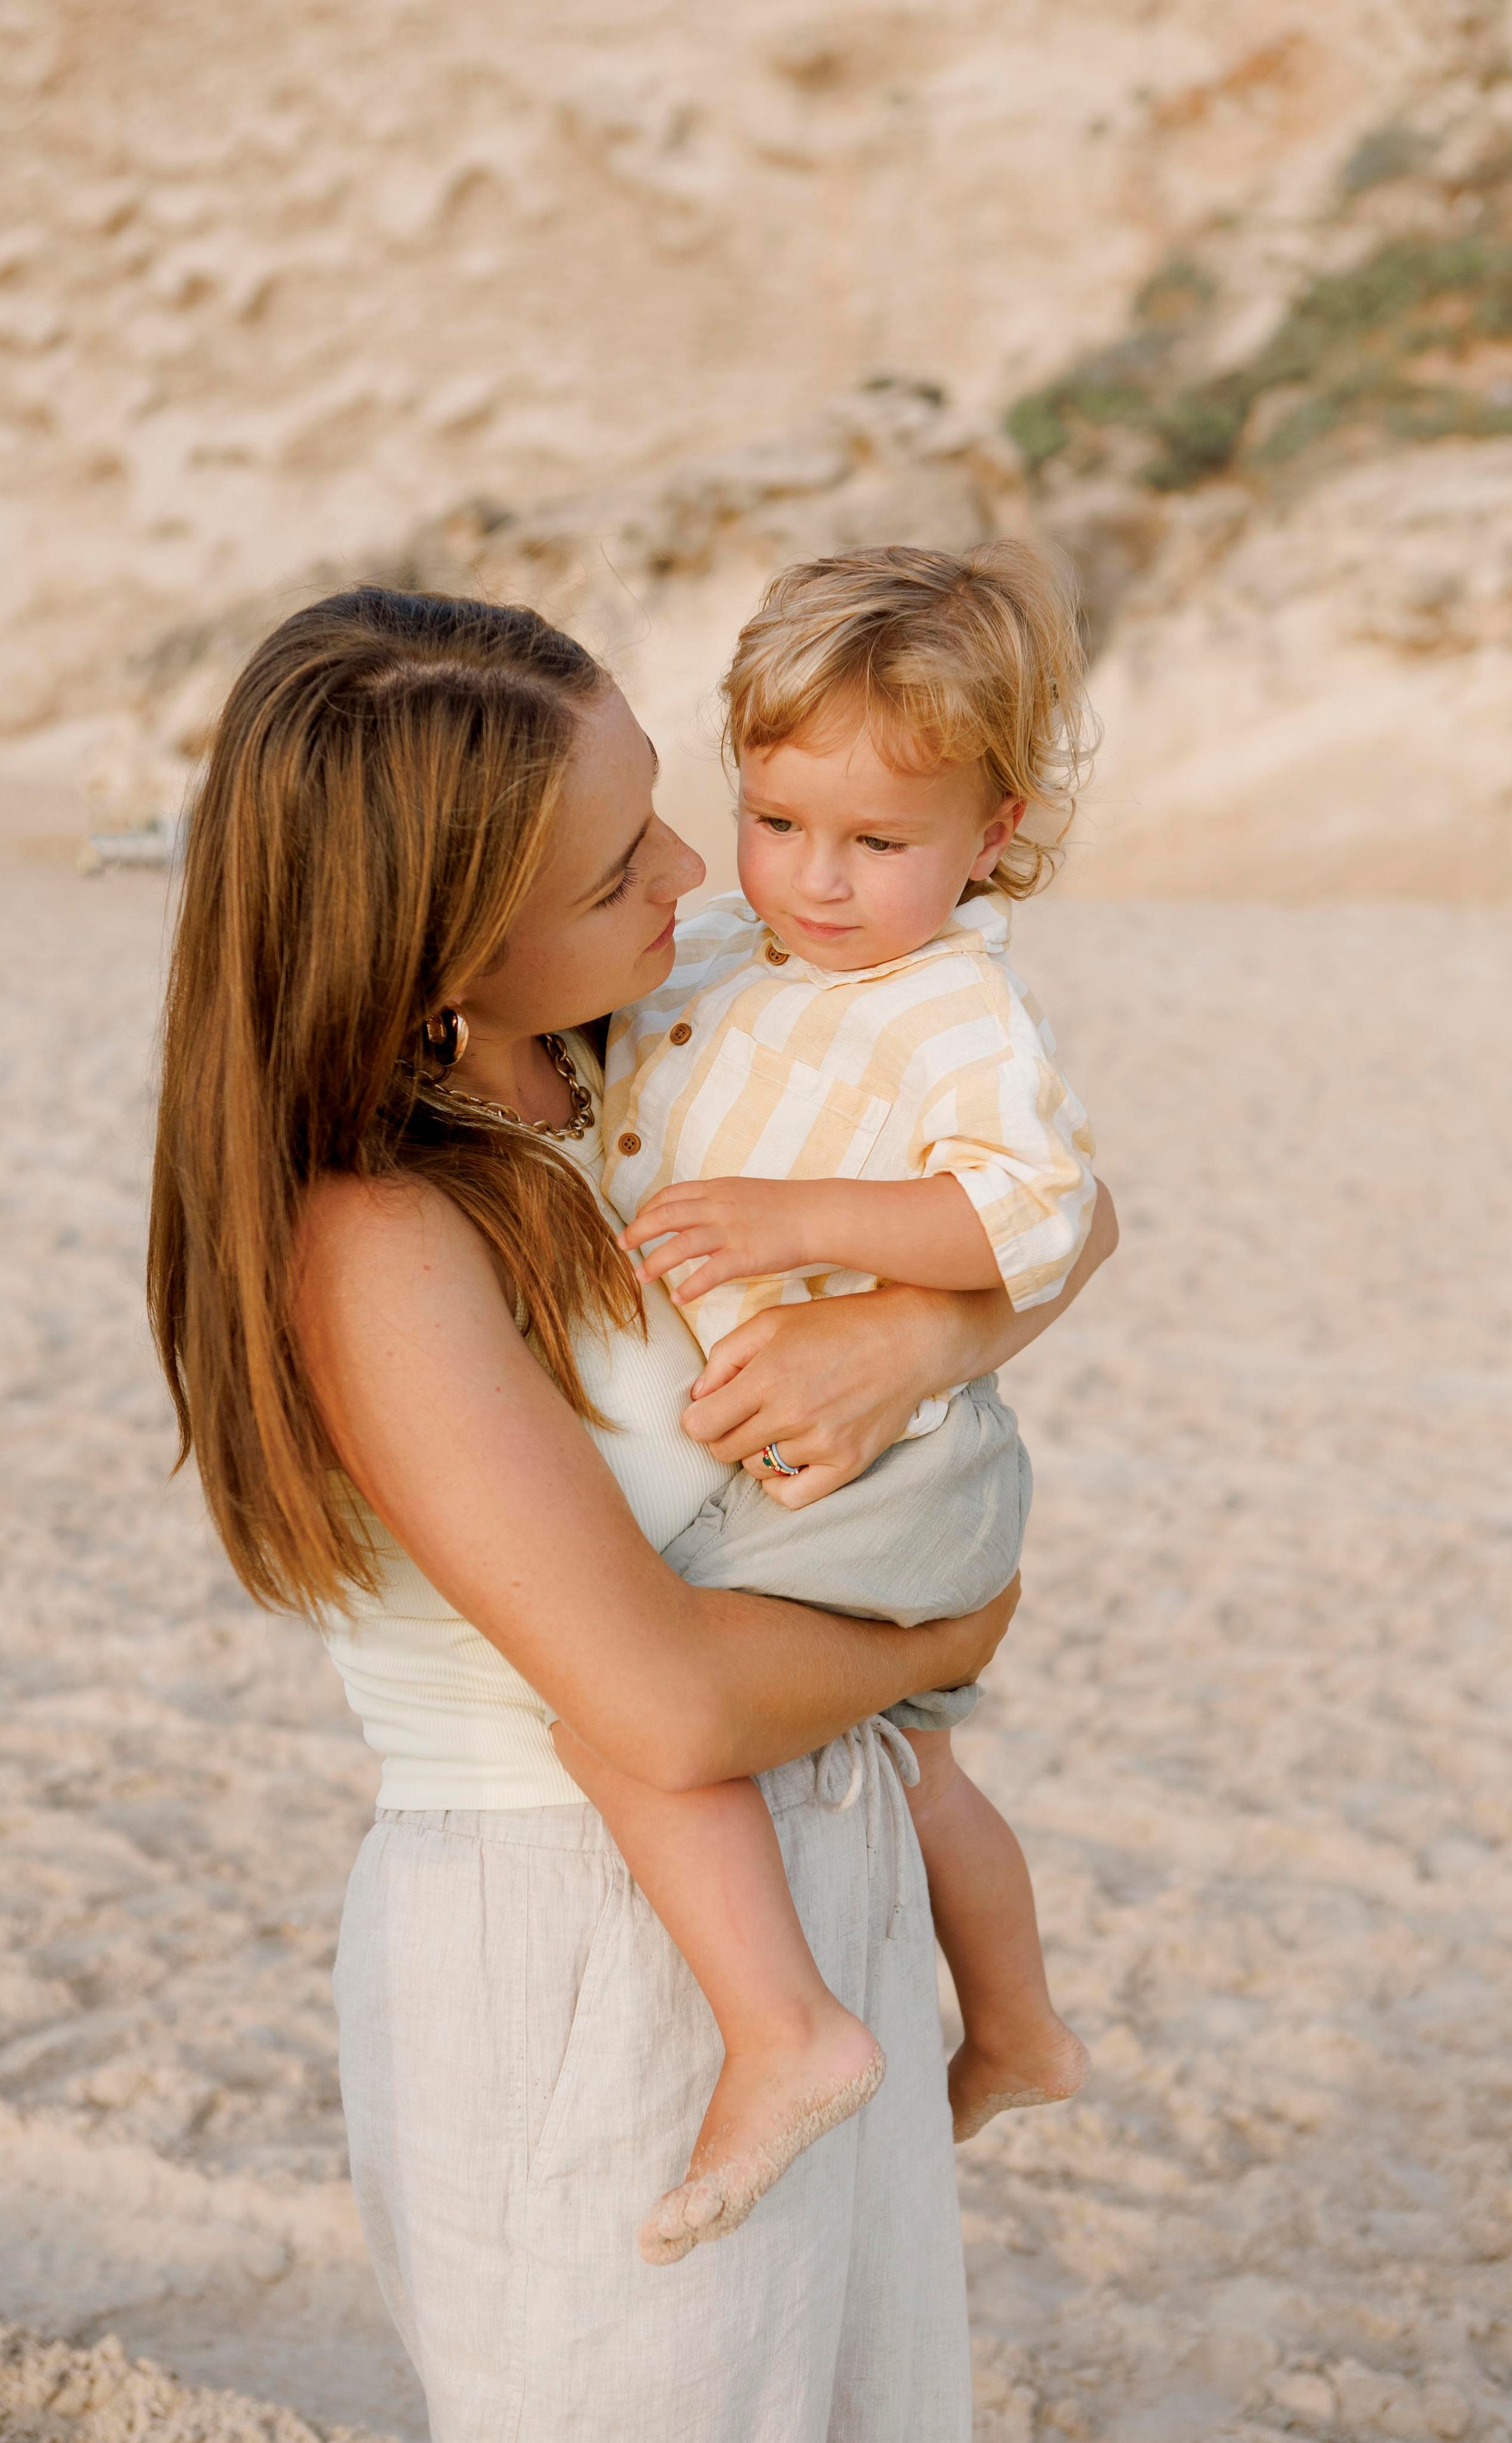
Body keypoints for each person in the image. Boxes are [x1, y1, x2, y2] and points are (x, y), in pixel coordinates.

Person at [147, 584, 1118, 2443]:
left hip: (829, 1892)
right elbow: (660, 1709)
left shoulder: (629, 1061)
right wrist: (949, 1639)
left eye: (667, 805)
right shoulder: (379, 1237)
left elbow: (1081, 1213)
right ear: (440, 943)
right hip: (584, 1950)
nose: (699, 865)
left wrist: (905, 1342)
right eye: (618, 867)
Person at [560, 543, 1094, 2268]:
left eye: (880, 846)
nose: (819, 881)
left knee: (619, 1696)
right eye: (783, 821)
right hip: (818, 1450)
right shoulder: (715, 941)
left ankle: (786, 2030)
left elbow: (1035, 1210)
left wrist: (811, 1228)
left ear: (992, 834)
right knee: (918, 1765)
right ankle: (1015, 2026)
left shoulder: (951, 1006)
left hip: (892, 1461)